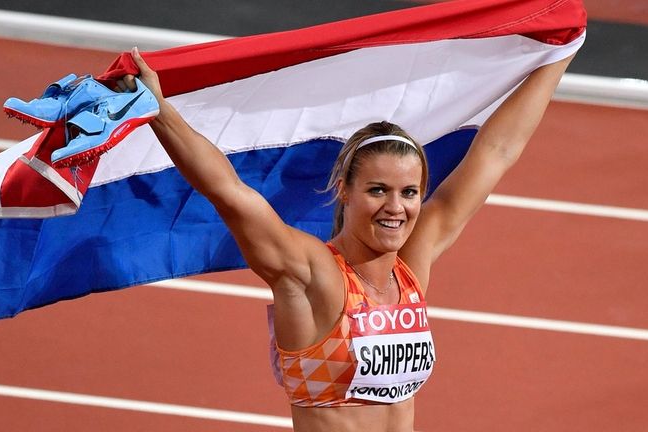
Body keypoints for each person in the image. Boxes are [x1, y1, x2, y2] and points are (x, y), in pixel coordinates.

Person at [119, 47, 574, 431]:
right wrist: (159, 111)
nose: (396, 207)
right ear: (345, 191)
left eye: (409, 192)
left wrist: (561, 52)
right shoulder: (311, 274)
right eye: (378, 190)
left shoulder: (411, 268)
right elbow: (229, 191)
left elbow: (497, 151)